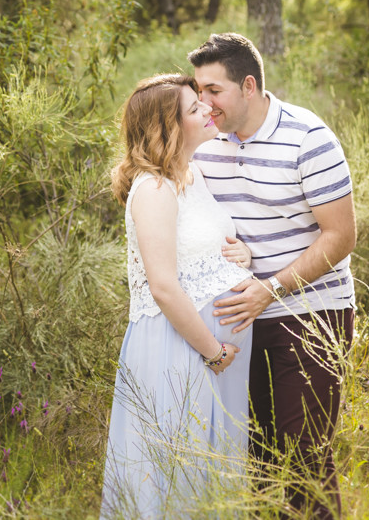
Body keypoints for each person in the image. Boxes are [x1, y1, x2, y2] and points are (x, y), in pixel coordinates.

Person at [188, 33, 356, 519]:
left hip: (312, 313)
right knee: (256, 460)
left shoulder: (309, 137)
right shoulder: (204, 142)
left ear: (248, 85)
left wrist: (271, 287)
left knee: (304, 459)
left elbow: (340, 236)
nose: (205, 103)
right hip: (237, 321)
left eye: (213, 91)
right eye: (198, 91)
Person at [100, 74, 257, 520]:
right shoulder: (152, 190)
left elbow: (206, 246)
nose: (208, 110)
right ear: (166, 129)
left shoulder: (194, 173)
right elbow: (164, 286)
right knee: (175, 474)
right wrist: (213, 351)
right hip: (181, 349)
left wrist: (240, 252)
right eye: (194, 109)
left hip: (214, 353)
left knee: (211, 474)